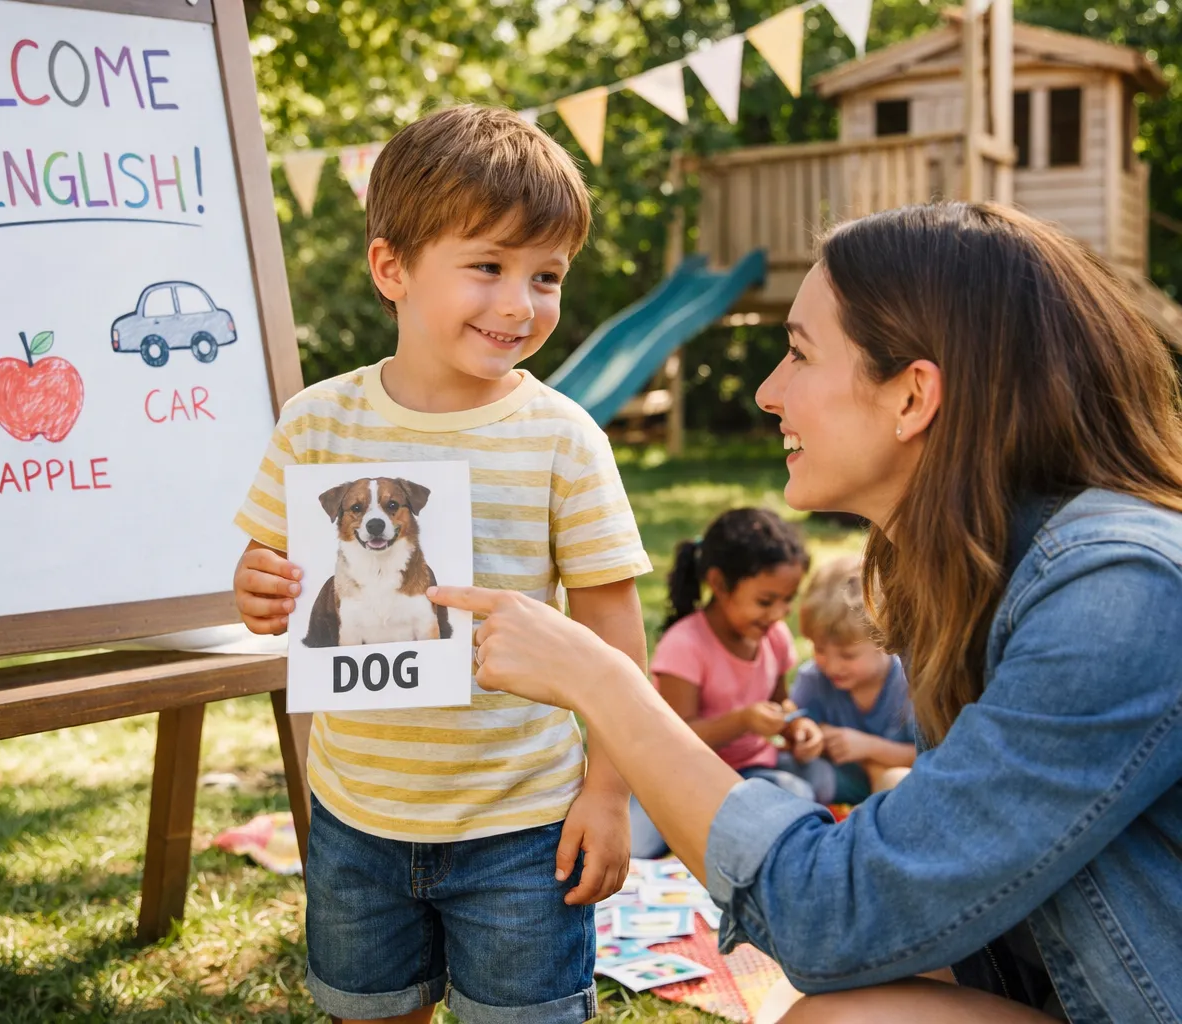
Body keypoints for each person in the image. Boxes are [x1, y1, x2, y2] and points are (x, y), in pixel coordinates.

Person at [429, 202, 1182, 1022]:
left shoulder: (1121, 592)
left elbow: (831, 916)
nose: (766, 392)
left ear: (912, 396)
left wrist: (603, 683)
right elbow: (903, 904)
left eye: (798, 353)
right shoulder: (976, 574)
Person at [232, 105, 652, 1024]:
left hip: (521, 825)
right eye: (489, 267)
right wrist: (258, 589)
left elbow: (614, 628)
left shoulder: (562, 439)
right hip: (356, 816)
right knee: (368, 1010)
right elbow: (266, 567)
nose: (520, 303)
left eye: (546, 275)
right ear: (393, 268)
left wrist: (611, 790)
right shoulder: (316, 424)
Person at [629, 509, 823, 858]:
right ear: (718, 584)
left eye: (787, 600)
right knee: (637, 841)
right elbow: (676, 739)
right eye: (766, 601)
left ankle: (720, 826)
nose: (779, 614)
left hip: (749, 773)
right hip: (681, 777)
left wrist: (797, 727)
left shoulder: (773, 637)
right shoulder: (685, 645)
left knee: (803, 792)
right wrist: (743, 720)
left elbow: (782, 701)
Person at [791, 554, 915, 805]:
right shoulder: (813, 679)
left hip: (901, 787)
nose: (832, 666)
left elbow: (932, 756)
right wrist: (808, 736)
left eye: (848, 655)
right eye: (820, 650)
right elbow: (794, 725)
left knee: (900, 784)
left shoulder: (910, 686)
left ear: (884, 641)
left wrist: (869, 748)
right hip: (838, 782)